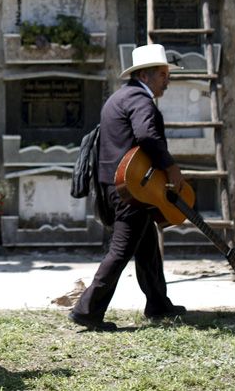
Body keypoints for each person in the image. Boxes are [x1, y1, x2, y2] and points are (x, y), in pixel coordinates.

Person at [69, 43, 188, 330]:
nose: (167, 81)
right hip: (130, 190)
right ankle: (87, 310)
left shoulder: (120, 97)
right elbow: (146, 135)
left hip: (122, 186)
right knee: (121, 250)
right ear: (145, 75)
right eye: (163, 75)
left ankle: (158, 304)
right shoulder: (140, 100)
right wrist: (170, 166)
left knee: (147, 248)